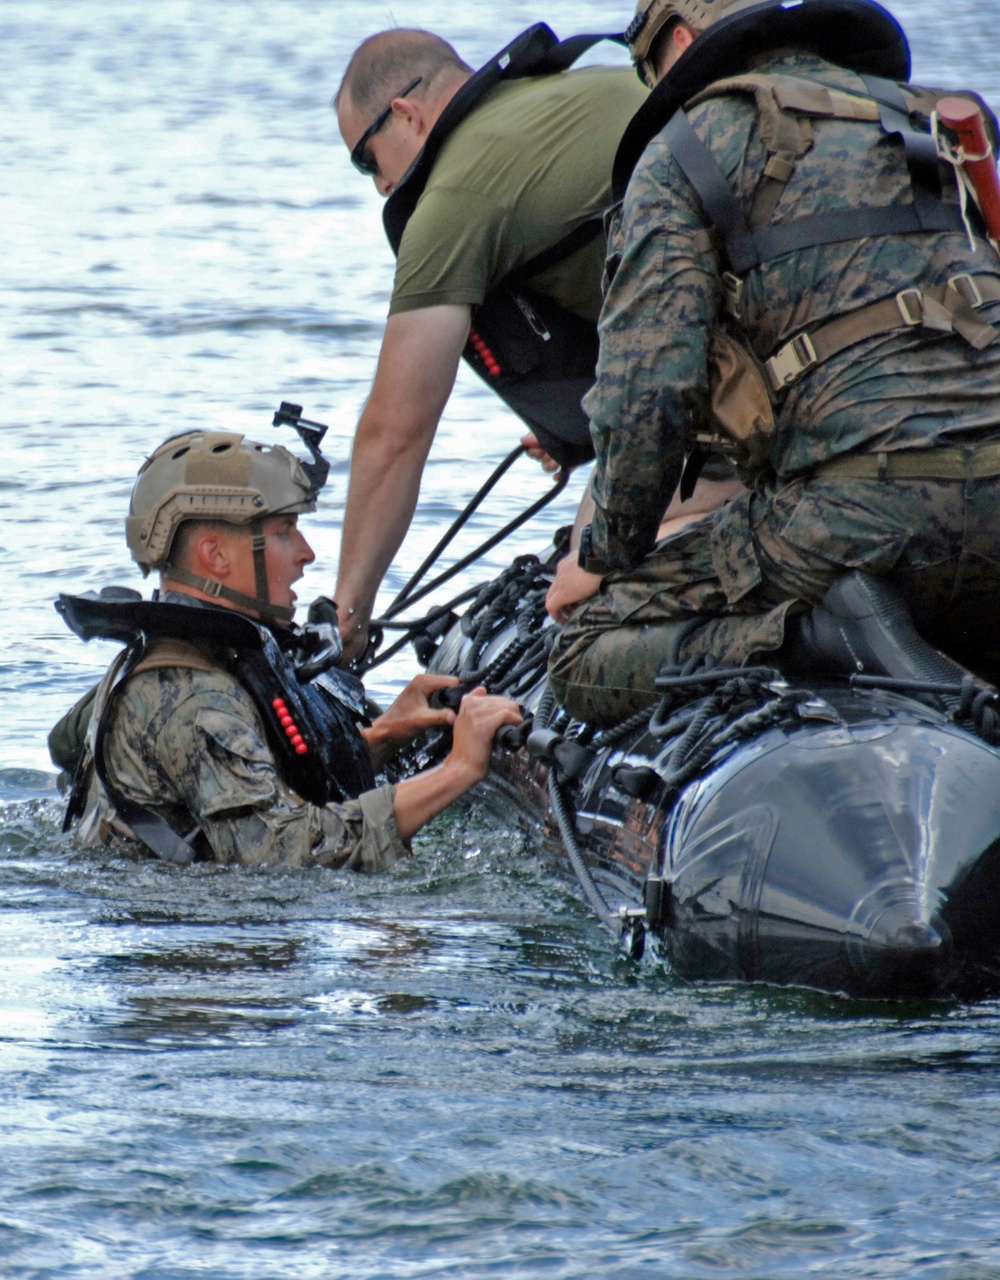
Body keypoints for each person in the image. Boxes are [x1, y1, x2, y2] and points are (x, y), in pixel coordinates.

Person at [547, 0, 1000, 726]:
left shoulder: (687, 150)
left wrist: (600, 556)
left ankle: (821, 639)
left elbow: (648, 399)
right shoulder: (938, 123)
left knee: (585, 651)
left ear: (681, 43)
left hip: (864, 518)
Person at [58, 426, 521, 870]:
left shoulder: (200, 655)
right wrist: (458, 770)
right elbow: (286, 854)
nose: (306, 553)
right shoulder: (195, 696)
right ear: (215, 556)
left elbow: (261, 788)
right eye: (283, 532)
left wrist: (383, 735)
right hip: (199, 941)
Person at [332, 26, 649, 664]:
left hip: (748, 395)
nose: (379, 187)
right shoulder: (588, 88)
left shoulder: (452, 198)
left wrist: (349, 616)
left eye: (367, 160)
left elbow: (394, 434)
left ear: (405, 114)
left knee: (574, 614)